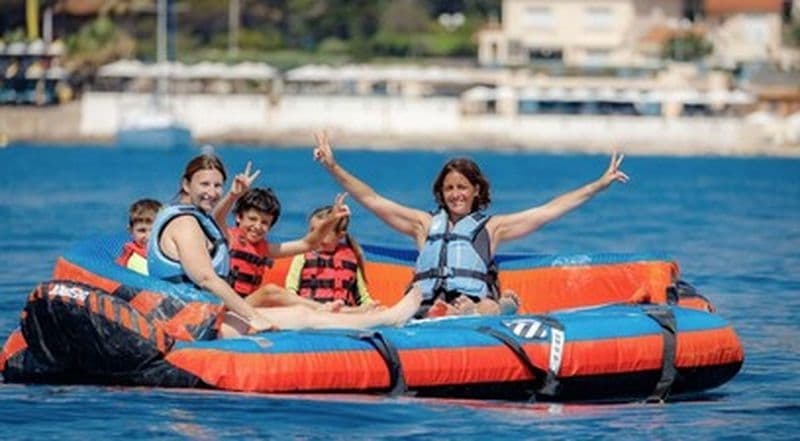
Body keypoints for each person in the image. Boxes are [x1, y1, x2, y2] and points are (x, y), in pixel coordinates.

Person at [312, 132, 629, 317]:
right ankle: (448, 314)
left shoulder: (493, 228)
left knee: (492, 305)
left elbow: (550, 209)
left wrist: (598, 185)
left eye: (462, 187)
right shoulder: (423, 224)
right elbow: (372, 199)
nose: (455, 195)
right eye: (449, 188)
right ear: (441, 192)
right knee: (406, 307)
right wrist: (332, 167)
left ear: (476, 190)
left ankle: (485, 311)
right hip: (426, 306)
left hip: (473, 304)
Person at [147, 154, 421, 339]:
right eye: (204, 184)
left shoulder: (198, 222)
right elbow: (205, 277)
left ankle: (375, 317)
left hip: (200, 315)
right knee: (302, 314)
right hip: (187, 323)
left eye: (218, 185)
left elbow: (308, 243)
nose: (212, 191)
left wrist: (332, 220)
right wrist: (254, 317)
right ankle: (385, 320)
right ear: (186, 184)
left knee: (301, 313)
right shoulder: (185, 224)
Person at [285, 205, 375, 308]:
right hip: (311, 311)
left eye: (322, 232)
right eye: (312, 230)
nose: (315, 236)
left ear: (340, 235)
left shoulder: (351, 258)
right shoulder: (302, 255)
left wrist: (370, 306)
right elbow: (290, 291)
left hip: (342, 314)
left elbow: (362, 297)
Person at [116, 198, 163, 275]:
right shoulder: (131, 256)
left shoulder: (168, 249)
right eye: (142, 230)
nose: (148, 237)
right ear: (130, 231)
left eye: (154, 231)